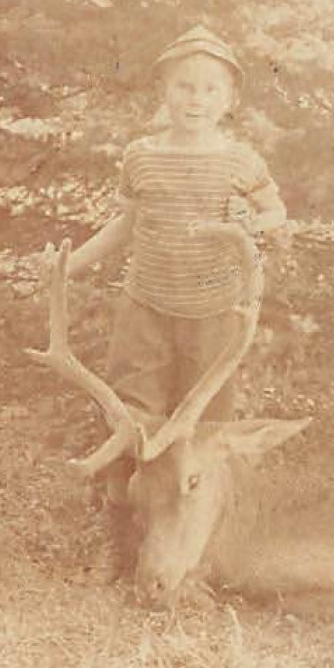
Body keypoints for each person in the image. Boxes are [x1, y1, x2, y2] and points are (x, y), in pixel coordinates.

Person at [47, 24, 287, 435]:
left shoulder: (241, 161)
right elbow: (125, 224)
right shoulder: (141, 157)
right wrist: (67, 265)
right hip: (146, 308)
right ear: (163, 89)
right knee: (132, 412)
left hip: (215, 310)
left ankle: (195, 498)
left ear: (231, 98)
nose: (197, 100)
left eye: (211, 90)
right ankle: (123, 495)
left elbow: (276, 213)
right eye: (184, 86)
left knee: (206, 418)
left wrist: (250, 220)